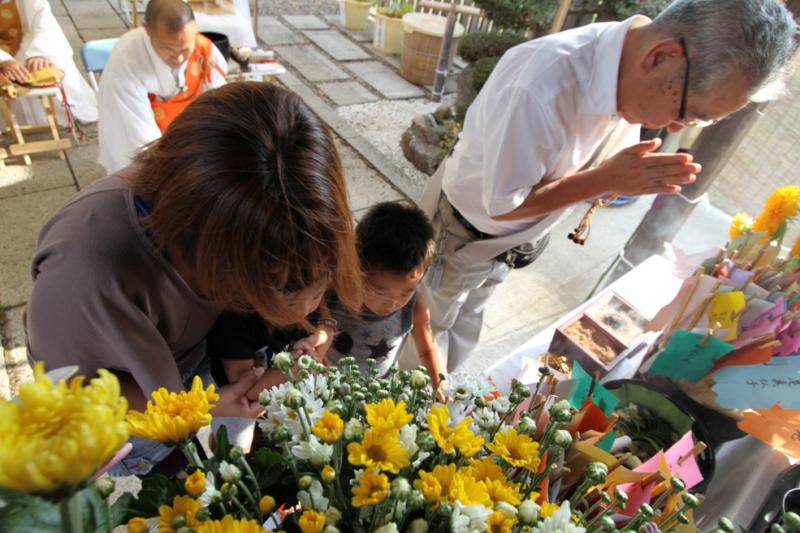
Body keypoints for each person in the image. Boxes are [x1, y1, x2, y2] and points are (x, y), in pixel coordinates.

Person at [400, 0, 798, 373]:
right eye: (690, 115)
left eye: (700, 122)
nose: (677, 128)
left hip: (505, 242)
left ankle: (438, 383)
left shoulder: (630, 62)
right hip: (463, 231)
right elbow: (501, 204)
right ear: (661, 57)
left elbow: (590, 172)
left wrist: (619, 177)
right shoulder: (543, 83)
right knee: (422, 333)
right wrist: (606, 179)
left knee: (466, 320)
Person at [25, 81, 363, 475]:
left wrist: (313, 331)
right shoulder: (86, 271)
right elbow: (73, 390)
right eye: (266, 286)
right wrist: (200, 406)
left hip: (179, 369)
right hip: (117, 408)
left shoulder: (236, 217)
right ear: (210, 248)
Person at [326, 202, 447, 395]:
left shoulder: (415, 308)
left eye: (406, 292)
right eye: (379, 291)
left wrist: (440, 385)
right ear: (356, 269)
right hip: (327, 384)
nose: (392, 304)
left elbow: (428, 350)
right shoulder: (335, 292)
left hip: (377, 391)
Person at [97, 0, 227, 174]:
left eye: (185, 50)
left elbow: (221, 102)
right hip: (147, 132)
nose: (179, 59)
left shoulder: (204, 49)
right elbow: (136, 134)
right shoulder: (126, 61)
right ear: (147, 30)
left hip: (192, 134)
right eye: (168, 49)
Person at [0, 0, 97, 124]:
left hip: (25, 40)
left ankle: (57, 117)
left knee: (41, 65)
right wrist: (3, 60)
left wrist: (39, 53)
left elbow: (44, 20)